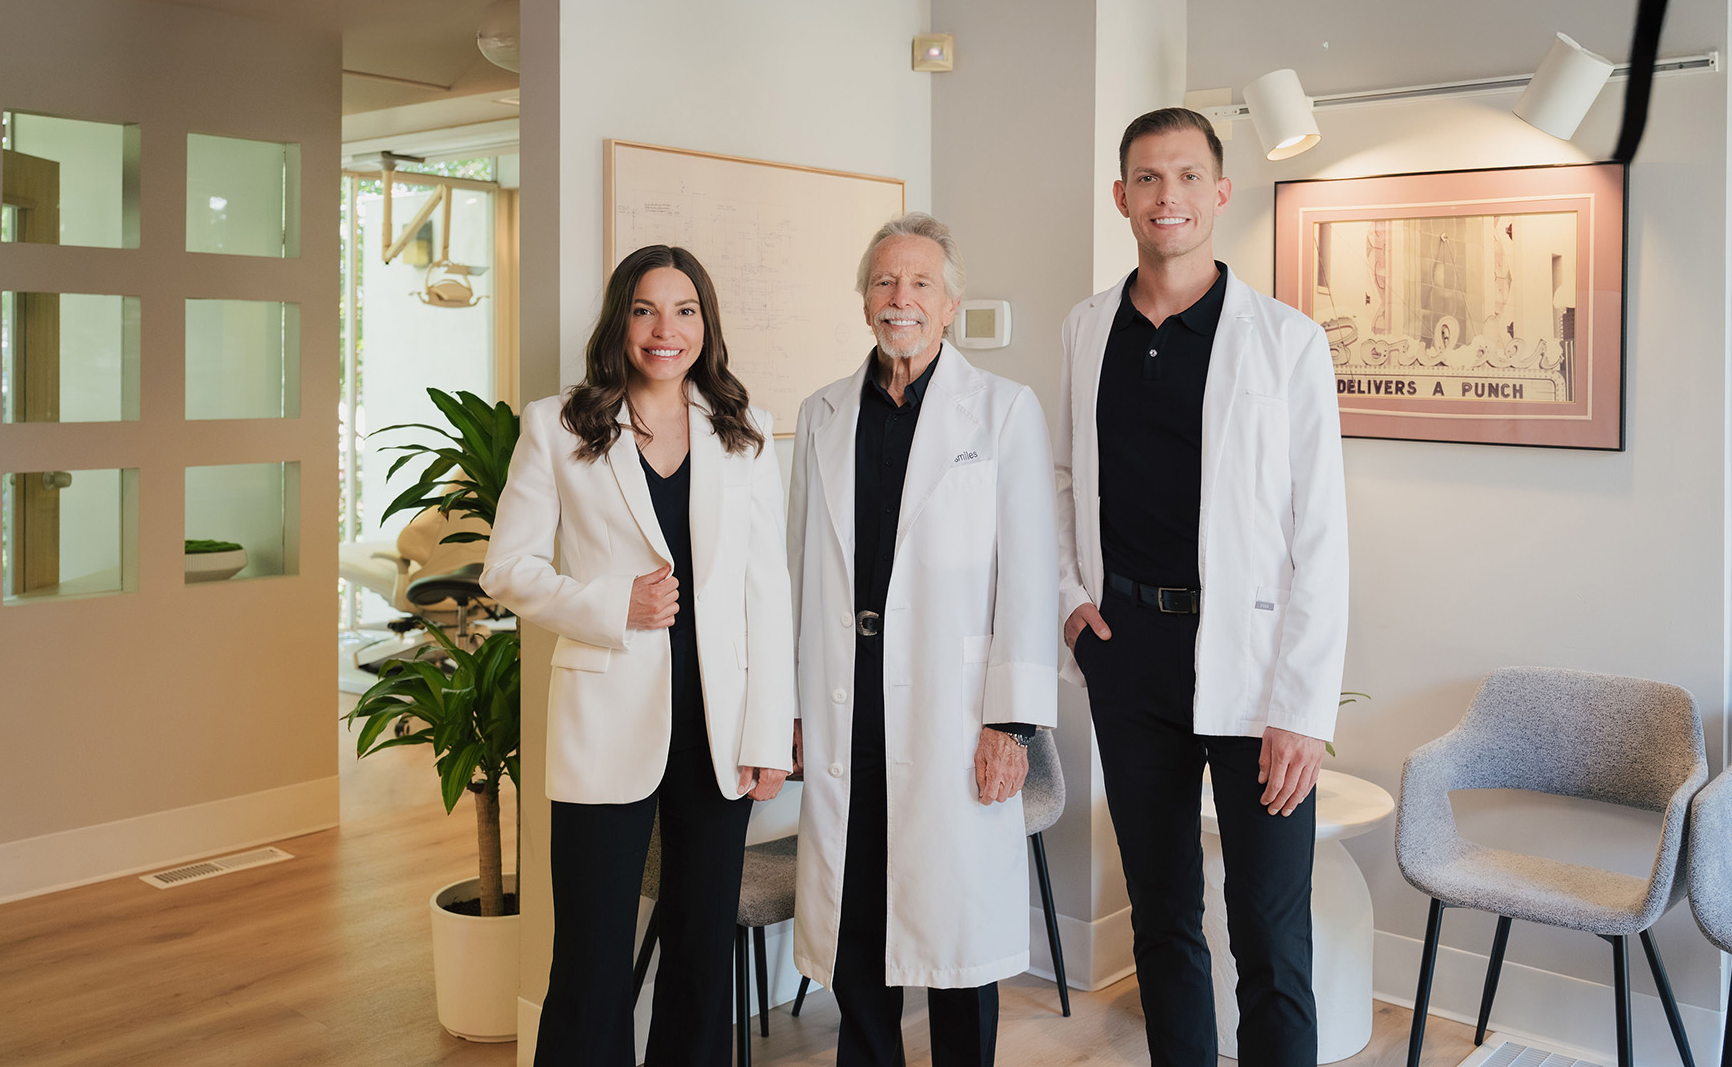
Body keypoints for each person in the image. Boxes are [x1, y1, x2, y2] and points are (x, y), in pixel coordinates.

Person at [1054, 108, 1349, 1066]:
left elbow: (1321, 536)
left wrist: (1302, 708)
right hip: (1128, 650)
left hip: (1254, 665)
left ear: (1220, 193)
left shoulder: (1288, 341)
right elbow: (1065, 480)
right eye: (1147, 178)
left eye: (1186, 177)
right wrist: (1070, 599)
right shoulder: (1087, 328)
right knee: (1162, 915)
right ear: (1121, 197)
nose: (1166, 196)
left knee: (1270, 930)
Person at [482, 245, 795, 1066]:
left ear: (705, 324)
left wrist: (769, 733)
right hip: (604, 720)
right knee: (589, 958)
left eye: (684, 311)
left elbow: (769, 592)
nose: (666, 329)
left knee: (701, 950)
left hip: (719, 729)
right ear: (620, 320)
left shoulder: (745, 431)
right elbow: (506, 569)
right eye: (645, 310)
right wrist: (613, 604)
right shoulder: (559, 426)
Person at [788, 212, 1060, 1067]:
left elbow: (1029, 573)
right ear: (865, 300)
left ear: (949, 305)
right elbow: (799, 568)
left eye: (919, 284)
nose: (899, 298)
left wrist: (1012, 724)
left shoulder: (1004, 410)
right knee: (857, 919)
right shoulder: (823, 412)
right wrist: (789, 708)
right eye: (884, 282)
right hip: (846, 696)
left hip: (954, 705)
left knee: (955, 932)